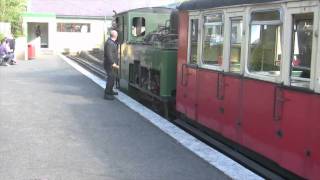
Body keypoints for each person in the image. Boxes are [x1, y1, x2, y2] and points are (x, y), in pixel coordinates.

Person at [104, 30, 119, 100]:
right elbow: (109, 54)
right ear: (115, 35)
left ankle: (110, 91)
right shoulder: (109, 43)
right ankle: (107, 94)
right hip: (110, 64)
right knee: (110, 79)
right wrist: (113, 63)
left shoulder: (111, 42)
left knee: (112, 78)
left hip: (111, 64)